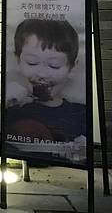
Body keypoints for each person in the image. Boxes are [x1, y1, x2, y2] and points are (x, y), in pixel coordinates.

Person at [5, 18, 86, 163]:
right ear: (18, 61)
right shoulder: (10, 109)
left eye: (54, 65)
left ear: (72, 68)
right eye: (32, 63)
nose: (42, 73)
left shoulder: (81, 115)